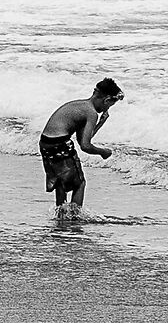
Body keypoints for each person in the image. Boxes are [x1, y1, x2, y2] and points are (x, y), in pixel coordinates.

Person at [39, 78, 122, 218]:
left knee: (60, 181)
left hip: (46, 143)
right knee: (79, 183)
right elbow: (85, 146)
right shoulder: (91, 113)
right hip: (60, 144)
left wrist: (101, 123)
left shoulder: (81, 106)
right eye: (109, 105)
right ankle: (74, 218)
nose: (106, 109)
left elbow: (82, 139)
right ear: (106, 100)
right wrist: (103, 152)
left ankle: (61, 216)